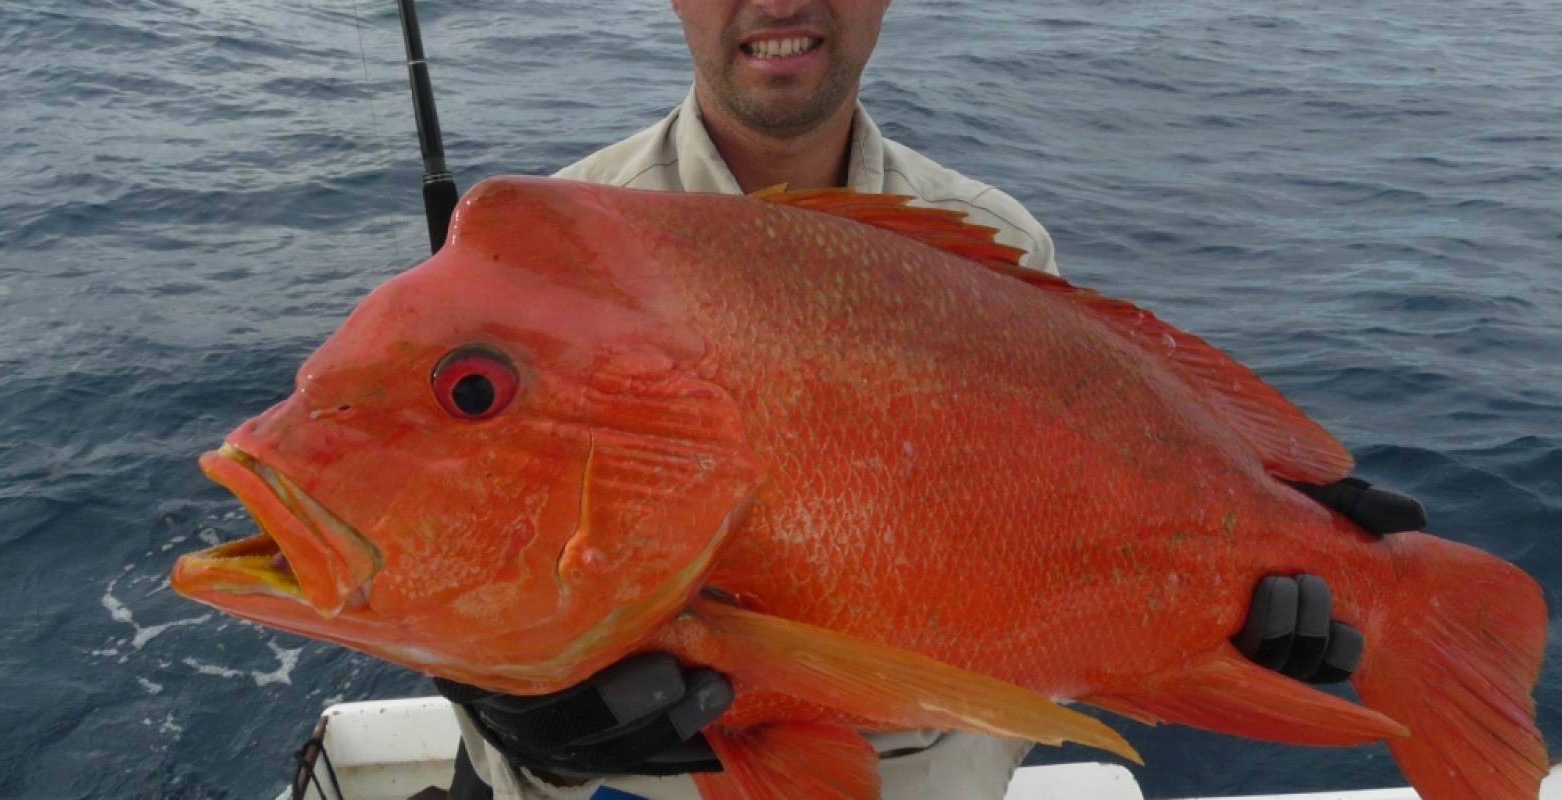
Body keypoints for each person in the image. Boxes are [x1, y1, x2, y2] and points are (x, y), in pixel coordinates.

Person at [432, 2, 1428, 798]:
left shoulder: (991, 242)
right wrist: (521, 726)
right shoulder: (546, 254)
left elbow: (1066, 544)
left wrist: (1247, 569)